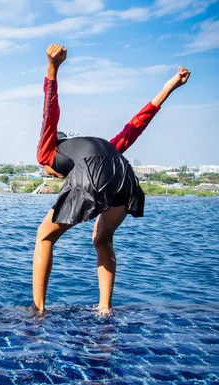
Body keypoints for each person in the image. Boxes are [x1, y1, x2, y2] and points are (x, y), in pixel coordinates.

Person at [33, 44, 190, 311]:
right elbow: (136, 125)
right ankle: (104, 309)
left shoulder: (46, 153)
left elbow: (50, 112)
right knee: (102, 239)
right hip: (124, 174)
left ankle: (38, 311)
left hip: (94, 172)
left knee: (44, 237)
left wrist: (52, 68)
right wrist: (171, 86)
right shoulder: (105, 145)